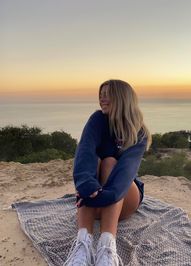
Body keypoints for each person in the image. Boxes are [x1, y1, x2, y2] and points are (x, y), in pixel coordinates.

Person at [64, 79, 151, 266]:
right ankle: (82, 246)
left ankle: (107, 247)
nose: (102, 99)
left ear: (122, 98)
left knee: (110, 162)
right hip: (94, 198)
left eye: (107, 95)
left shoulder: (139, 131)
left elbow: (127, 171)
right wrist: (86, 185)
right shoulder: (97, 120)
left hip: (122, 197)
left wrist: (102, 196)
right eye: (100, 95)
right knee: (94, 161)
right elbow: (85, 150)